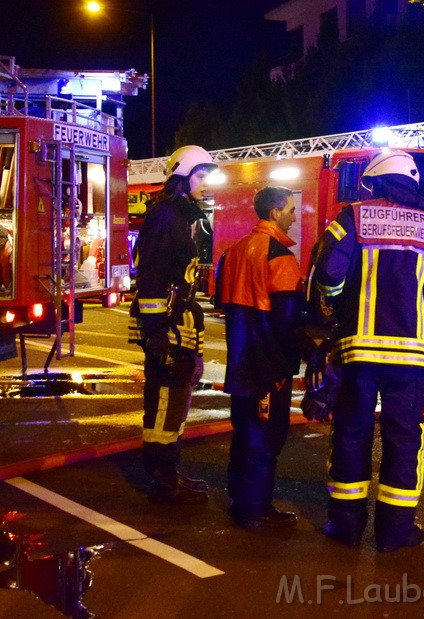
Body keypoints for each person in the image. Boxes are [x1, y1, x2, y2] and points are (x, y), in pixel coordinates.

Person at [310, 150, 424, 552]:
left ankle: (346, 526)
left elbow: (328, 272)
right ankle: (396, 530)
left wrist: (335, 307)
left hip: (360, 351)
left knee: (352, 432)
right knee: (404, 438)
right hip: (410, 354)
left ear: (377, 182)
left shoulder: (354, 216)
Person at [218, 186, 315, 529]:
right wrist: (314, 353)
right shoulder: (281, 258)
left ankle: (240, 499)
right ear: (274, 213)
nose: (294, 216)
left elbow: (221, 303)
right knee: (266, 437)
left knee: (244, 432)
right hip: (269, 366)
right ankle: (256, 509)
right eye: (290, 209)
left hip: (241, 361)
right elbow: (289, 322)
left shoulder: (233, 253)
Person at [128, 145, 215, 503]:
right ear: (182, 177)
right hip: (166, 325)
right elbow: (151, 277)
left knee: (176, 399)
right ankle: (161, 477)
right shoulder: (166, 217)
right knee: (164, 399)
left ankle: (170, 468)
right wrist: (157, 332)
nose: (205, 184)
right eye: (200, 176)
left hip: (178, 321)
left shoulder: (183, 216)